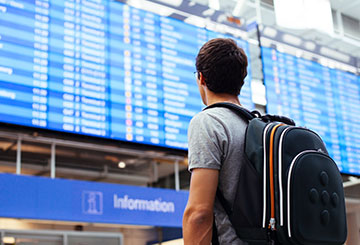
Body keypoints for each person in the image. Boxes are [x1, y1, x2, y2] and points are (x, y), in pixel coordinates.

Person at [183, 38, 249, 244]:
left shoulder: (208, 122)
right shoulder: (258, 126)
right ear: (241, 81)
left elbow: (199, 213)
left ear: (201, 78)